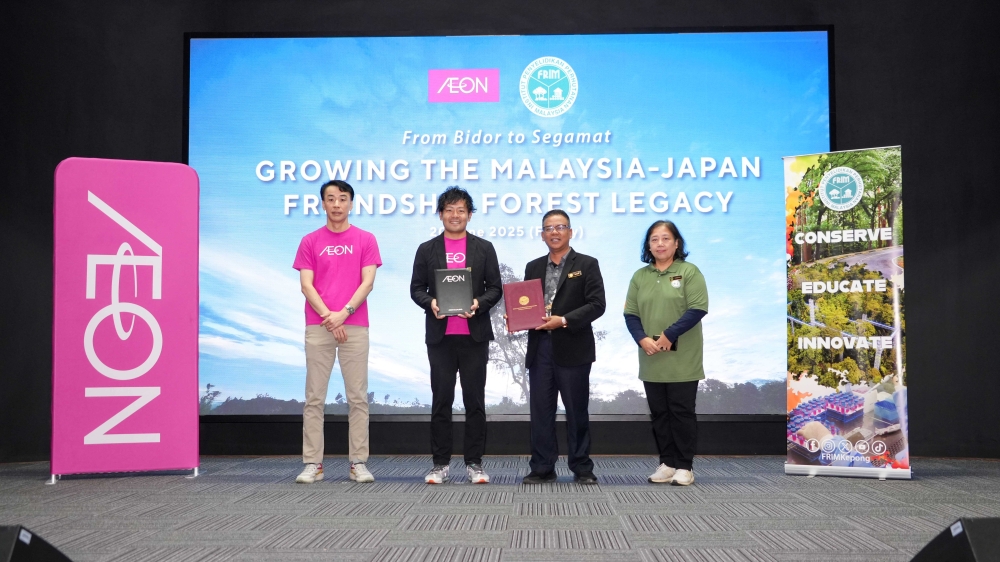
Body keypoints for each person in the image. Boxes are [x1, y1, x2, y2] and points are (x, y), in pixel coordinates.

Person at [410, 186, 502, 484]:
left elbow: (495, 288)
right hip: (441, 337)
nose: (454, 215)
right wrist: (431, 303)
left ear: (470, 215)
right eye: (449, 210)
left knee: (475, 402)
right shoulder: (427, 249)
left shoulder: (484, 248)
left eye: (461, 210)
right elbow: (416, 289)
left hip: (473, 336)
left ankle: (474, 463)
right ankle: (440, 464)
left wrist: (479, 303)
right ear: (440, 214)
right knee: (441, 401)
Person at [293, 180, 381, 484]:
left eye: (342, 199)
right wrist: (329, 317)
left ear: (351, 203)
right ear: (323, 204)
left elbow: (367, 282)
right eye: (330, 199)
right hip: (318, 325)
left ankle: (358, 462)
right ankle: (313, 464)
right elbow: (306, 284)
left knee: (358, 397)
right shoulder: (310, 241)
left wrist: (343, 314)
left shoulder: (366, 239)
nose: (336, 204)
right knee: (314, 398)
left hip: (354, 325)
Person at [519, 210, 606, 485]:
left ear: (570, 231)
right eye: (548, 228)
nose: (554, 232)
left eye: (560, 227)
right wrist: (517, 316)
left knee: (576, 410)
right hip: (540, 348)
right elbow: (526, 303)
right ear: (542, 234)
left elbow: (597, 305)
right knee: (541, 411)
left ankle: (582, 467)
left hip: (573, 347)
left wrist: (564, 320)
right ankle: (542, 467)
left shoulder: (588, 264)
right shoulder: (533, 266)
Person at [623, 220, 708, 486]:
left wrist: (669, 335)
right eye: (654, 240)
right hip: (651, 355)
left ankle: (685, 466)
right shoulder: (640, 276)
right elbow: (631, 313)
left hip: (682, 357)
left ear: (676, 243)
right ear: (648, 245)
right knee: (659, 413)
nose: (660, 244)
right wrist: (642, 339)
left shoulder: (689, 271)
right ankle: (668, 463)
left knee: (681, 411)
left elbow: (697, 309)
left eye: (665, 239)